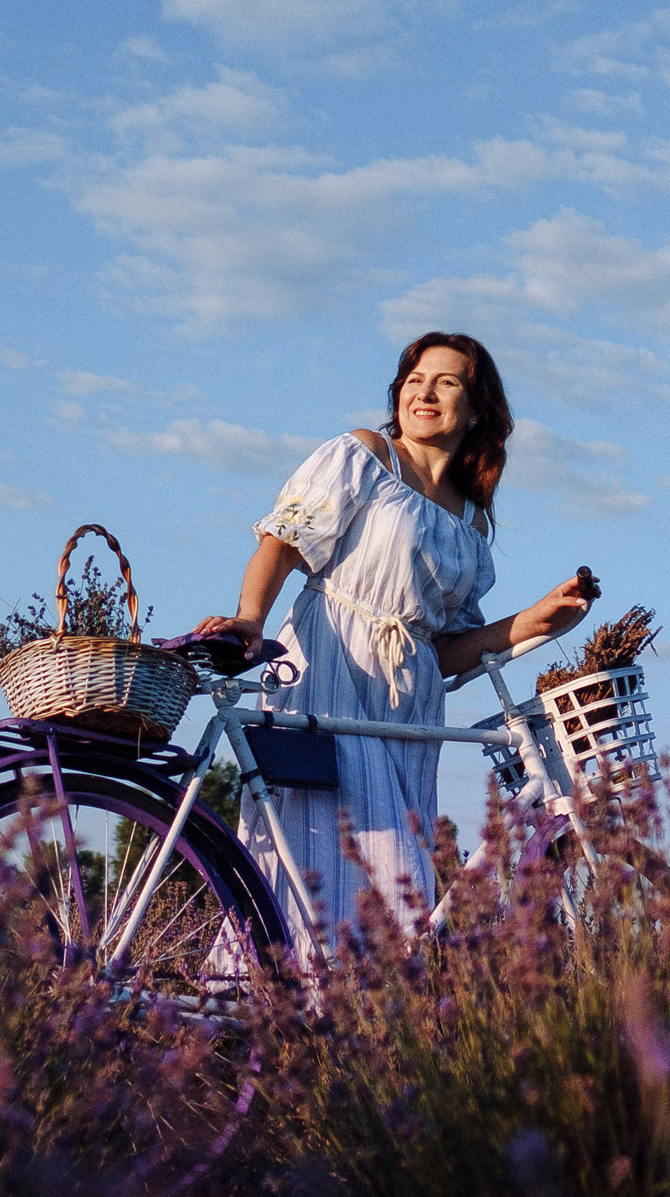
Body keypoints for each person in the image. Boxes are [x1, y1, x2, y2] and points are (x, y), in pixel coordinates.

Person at [195, 331, 596, 947]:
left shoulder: (470, 522)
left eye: (447, 381)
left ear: (479, 408)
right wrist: (250, 618)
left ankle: (319, 1023)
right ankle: (299, 998)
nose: (425, 391)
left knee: (383, 869)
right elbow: (283, 539)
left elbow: (444, 652)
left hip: (409, 703)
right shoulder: (364, 456)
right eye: (414, 378)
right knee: (362, 863)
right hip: (329, 667)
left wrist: (539, 620)